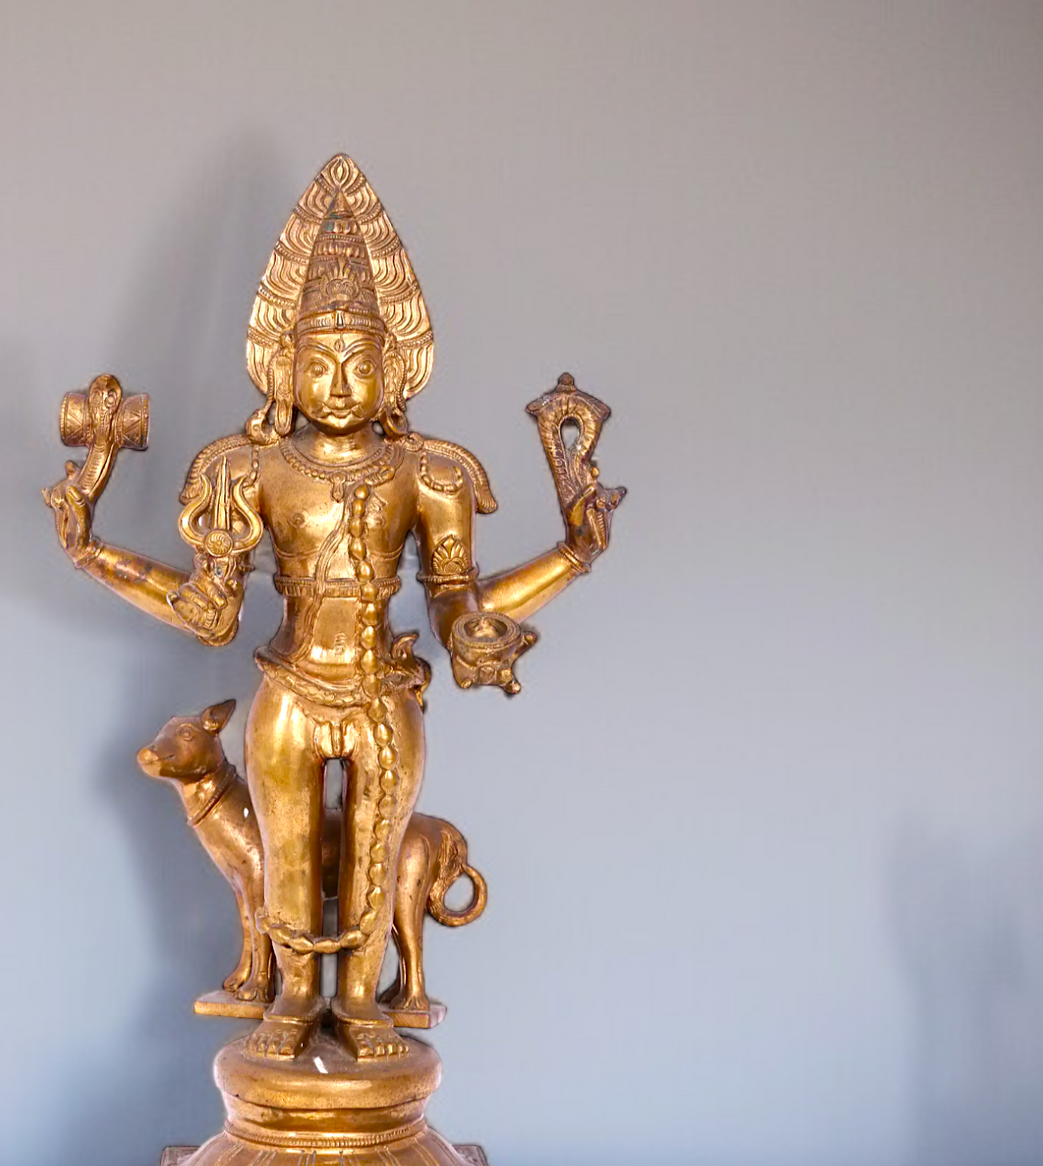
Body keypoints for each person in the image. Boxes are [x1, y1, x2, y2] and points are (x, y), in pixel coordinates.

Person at [46, 157, 616, 1062]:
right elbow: (207, 610)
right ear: (284, 369)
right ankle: (291, 994)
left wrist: (569, 556)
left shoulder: (429, 473)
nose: (341, 382)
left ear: (396, 371)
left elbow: (458, 606)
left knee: (375, 851)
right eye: (319, 362)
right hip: (290, 683)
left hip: (382, 686)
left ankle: (357, 1001)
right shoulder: (248, 468)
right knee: (286, 847)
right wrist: (93, 550)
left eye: (361, 363)